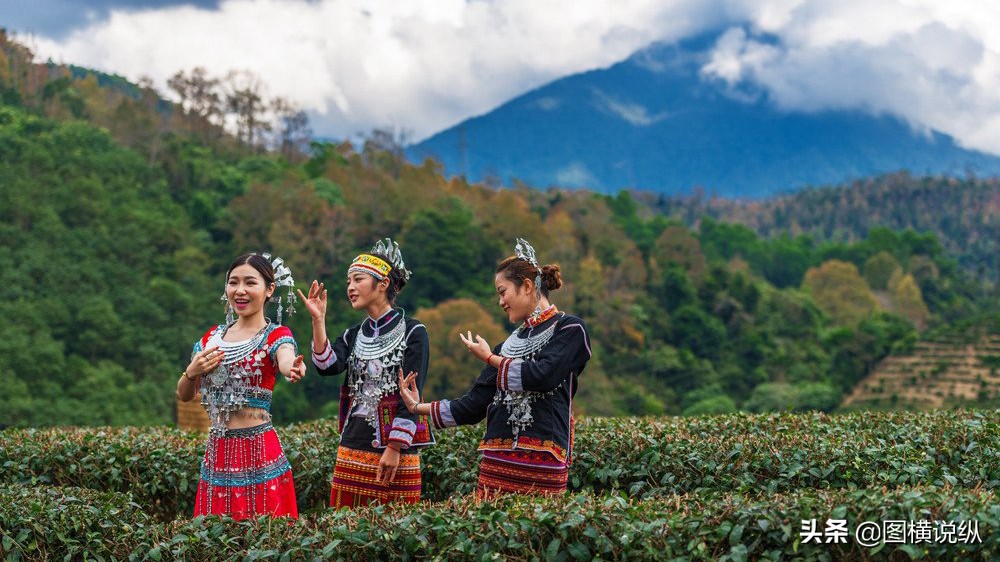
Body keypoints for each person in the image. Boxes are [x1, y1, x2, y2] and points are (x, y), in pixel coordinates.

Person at [399, 238, 591, 498]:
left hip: (544, 461)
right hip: (495, 463)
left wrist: (490, 359)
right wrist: (416, 407)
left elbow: (543, 376)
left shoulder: (569, 329)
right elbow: (473, 405)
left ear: (526, 286)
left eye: (502, 292)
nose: (500, 301)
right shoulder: (506, 346)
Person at [298, 238, 433, 508]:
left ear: (383, 284)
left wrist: (395, 448)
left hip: (396, 449)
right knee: (345, 526)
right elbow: (327, 366)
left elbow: (412, 397)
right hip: (352, 444)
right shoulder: (354, 334)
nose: (350, 287)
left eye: (358, 279)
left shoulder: (413, 332)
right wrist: (318, 320)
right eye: (348, 281)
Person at [177, 252, 305, 519]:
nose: (240, 290)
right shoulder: (212, 338)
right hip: (217, 453)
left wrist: (291, 367)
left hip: (259, 453)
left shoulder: (276, 335)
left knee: (265, 540)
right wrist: (192, 371)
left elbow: (285, 359)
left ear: (269, 290)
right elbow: (185, 394)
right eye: (233, 282)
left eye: (250, 282)